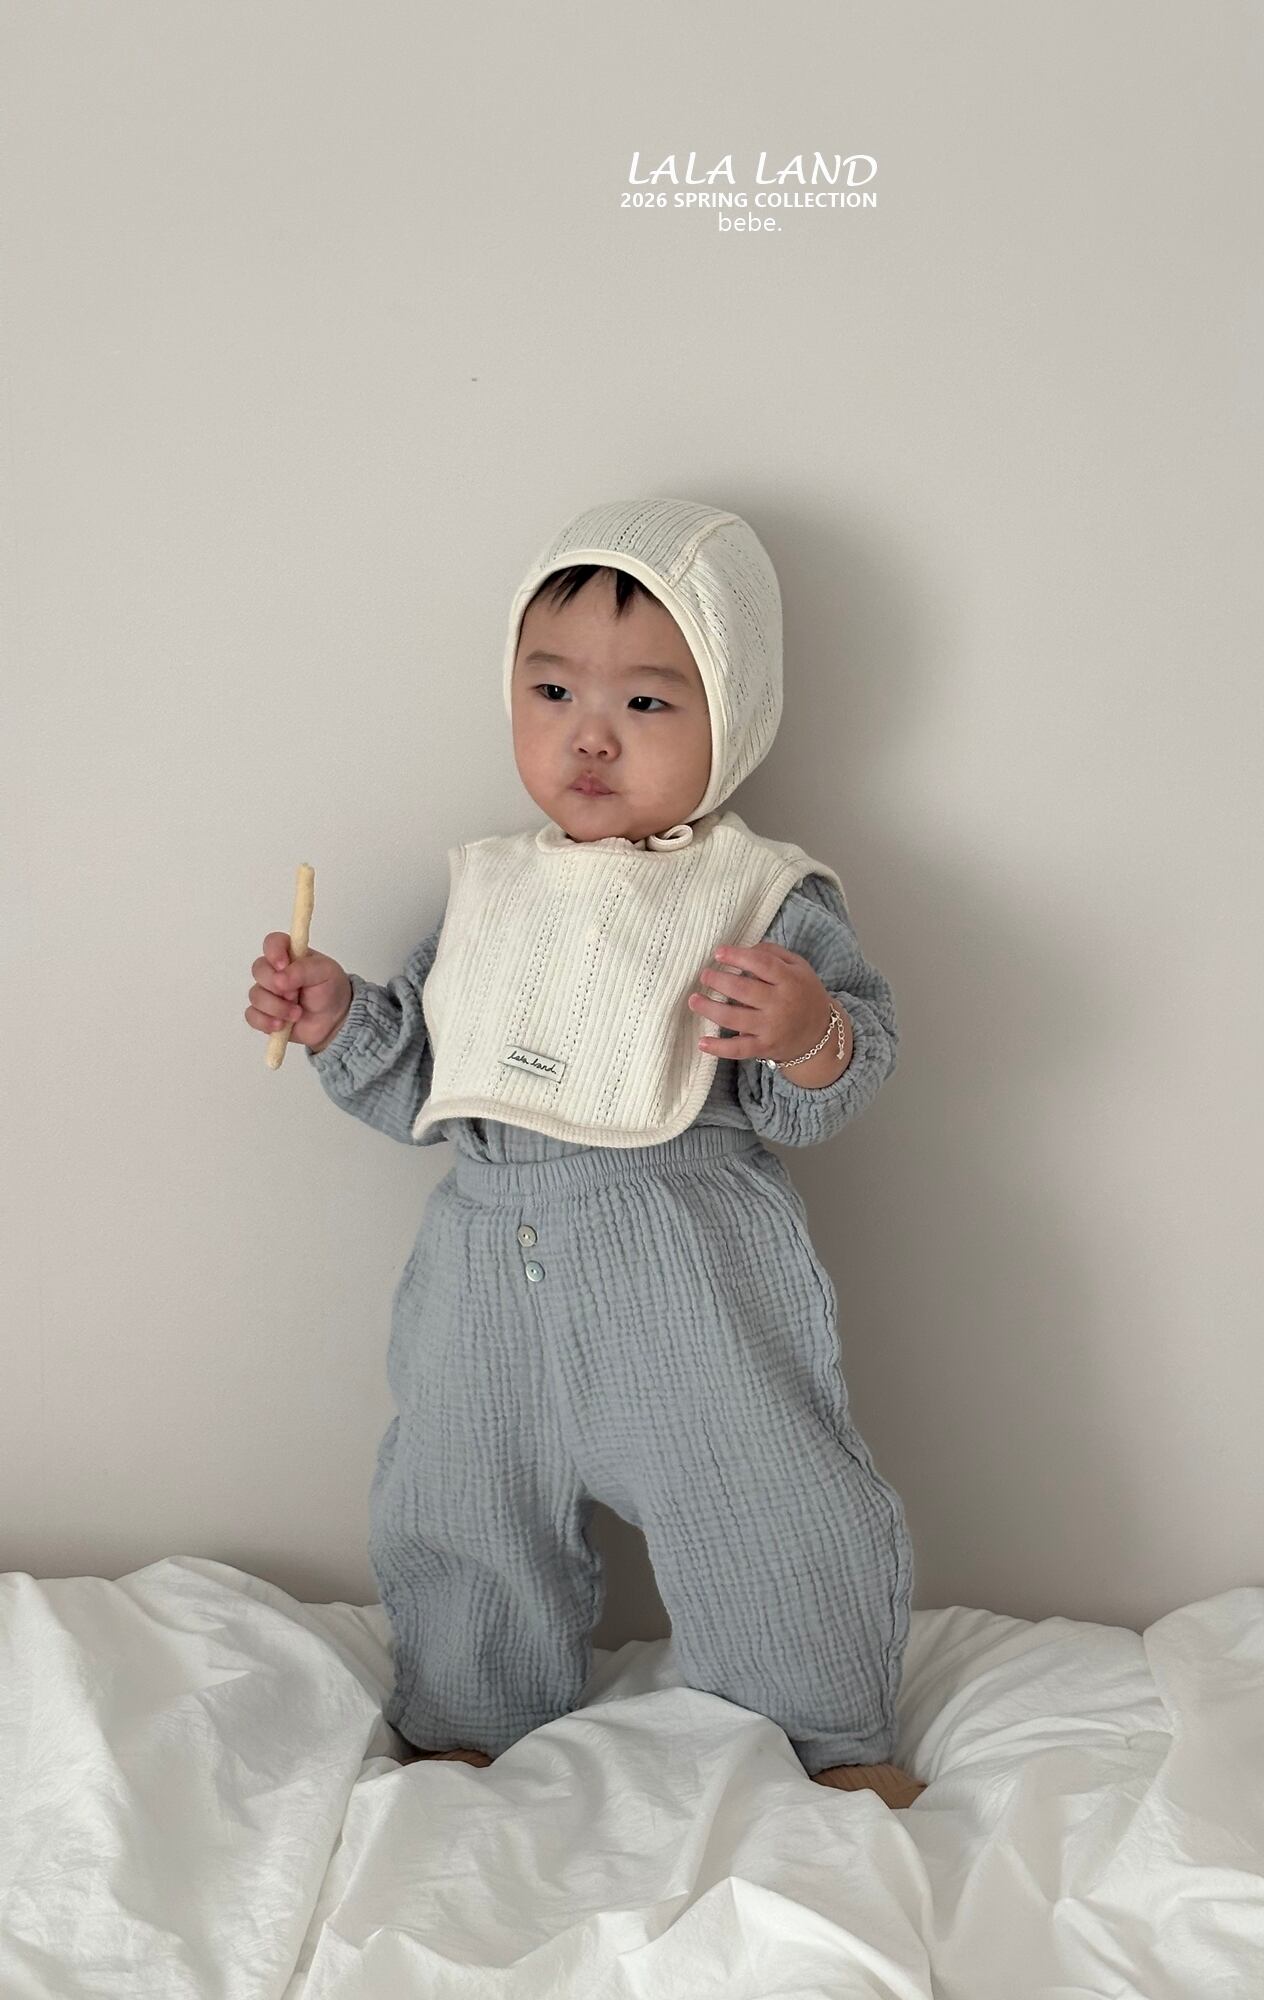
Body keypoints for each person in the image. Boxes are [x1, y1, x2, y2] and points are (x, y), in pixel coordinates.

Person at [245, 497, 925, 1809]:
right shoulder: (492, 889)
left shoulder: (761, 894)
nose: (589, 734)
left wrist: (805, 1032)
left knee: (761, 1494)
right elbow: (427, 1077)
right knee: (462, 1496)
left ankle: (827, 1733)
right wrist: (337, 1017)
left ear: (734, 717)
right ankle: (468, 1713)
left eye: (648, 703)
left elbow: (828, 1086)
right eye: (551, 690)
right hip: (482, 1267)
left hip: (683, 1259)